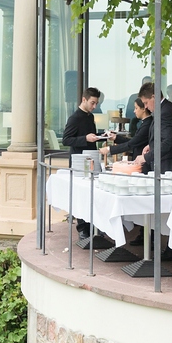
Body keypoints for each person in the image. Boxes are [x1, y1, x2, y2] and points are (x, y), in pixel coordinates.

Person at [63, 87, 104, 239]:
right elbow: (66, 139)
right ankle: (82, 228)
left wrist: (101, 136)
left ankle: (92, 226)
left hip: (90, 159)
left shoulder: (89, 117)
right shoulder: (74, 118)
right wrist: (85, 139)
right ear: (84, 99)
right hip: (79, 162)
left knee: (91, 194)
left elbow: (89, 136)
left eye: (96, 103)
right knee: (81, 195)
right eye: (92, 103)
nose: (94, 106)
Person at [133, 82, 172, 175]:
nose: (145, 107)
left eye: (146, 103)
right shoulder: (167, 108)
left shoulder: (165, 113)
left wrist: (145, 157)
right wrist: (151, 146)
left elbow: (168, 142)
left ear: (154, 97)